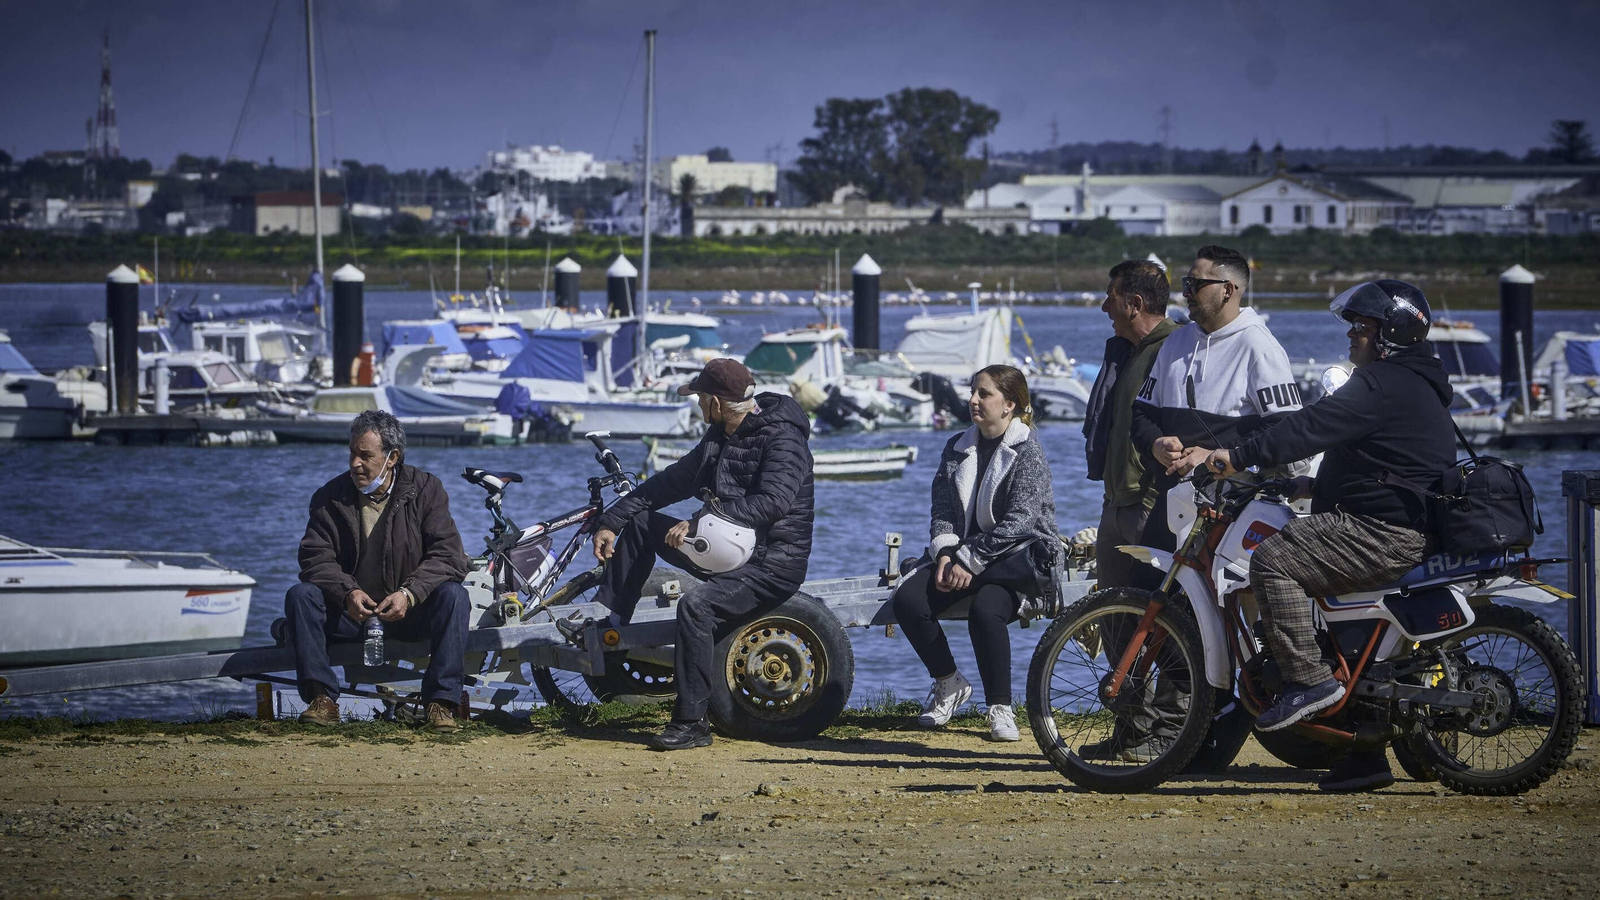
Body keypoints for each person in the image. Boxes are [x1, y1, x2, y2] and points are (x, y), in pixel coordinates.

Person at [1206, 279, 1453, 792]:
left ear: (1389, 336)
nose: (1351, 337)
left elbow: (1310, 426)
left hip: (1380, 534)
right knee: (1344, 631)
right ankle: (1364, 757)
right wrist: (1311, 485)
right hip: (1389, 523)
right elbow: (1390, 463)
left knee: (1273, 560)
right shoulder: (1409, 382)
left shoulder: (1382, 382)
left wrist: (1238, 455)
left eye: (1361, 328)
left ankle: (1309, 680)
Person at [1125, 244, 1304, 770]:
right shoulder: (1177, 339)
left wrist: (1214, 454)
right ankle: (1144, 730)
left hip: (1232, 507)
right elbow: (1142, 415)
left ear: (1229, 289)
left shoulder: (1259, 346)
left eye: (1195, 283)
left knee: (1205, 620)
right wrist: (1157, 444)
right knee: (1151, 610)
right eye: (1185, 280)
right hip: (1175, 500)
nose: (1185, 290)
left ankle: (1182, 733)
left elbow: (1285, 433)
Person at [587, 357, 815, 751]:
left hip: (773, 563)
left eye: (699, 397)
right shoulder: (719, 436)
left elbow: (774, 503)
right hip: (723, 548)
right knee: (642, 524)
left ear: (717, 402)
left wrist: (700, 521)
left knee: (696, 607)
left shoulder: (783, 439)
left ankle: (692, 723)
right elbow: (665, 484)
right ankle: (611, 622)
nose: (695, 403)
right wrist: (609, 522)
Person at [893, 365, 1063, 742]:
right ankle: (949, 682)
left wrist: (971, 560)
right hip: (964, 557)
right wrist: (945, 554)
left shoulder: (1027, 450)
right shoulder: (957, 446)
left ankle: (1000, 708)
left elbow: (1021, 521)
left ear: (1010, 405)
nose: (973, 400)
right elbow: (942, 511)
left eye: (984, 394)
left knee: (986, 611)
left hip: (1017, 561)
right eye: (973, 392)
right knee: (907, 599)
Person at [286, 410, 472, 732]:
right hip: (352, 616)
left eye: (365, 455)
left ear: (392, 457)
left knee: (455, 597)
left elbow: (448, 555)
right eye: (352, 453)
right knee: (301, 596)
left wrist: (409, 595)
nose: (355, 463)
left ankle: (441, 704)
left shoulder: (427, 490)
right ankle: (323, 701)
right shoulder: (328, 498)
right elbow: (315, 558)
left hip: (408, 614)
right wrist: (347, 593)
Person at [1085, 259, 1180, 590]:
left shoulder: (1177, 349)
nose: (1104, 307)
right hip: (1115, 504)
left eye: (1111, 297)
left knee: (1157, 621)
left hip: (1147, 507)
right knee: (1112, 618)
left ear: (1135, 304)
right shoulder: (1128, 351)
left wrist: (1152, 500)